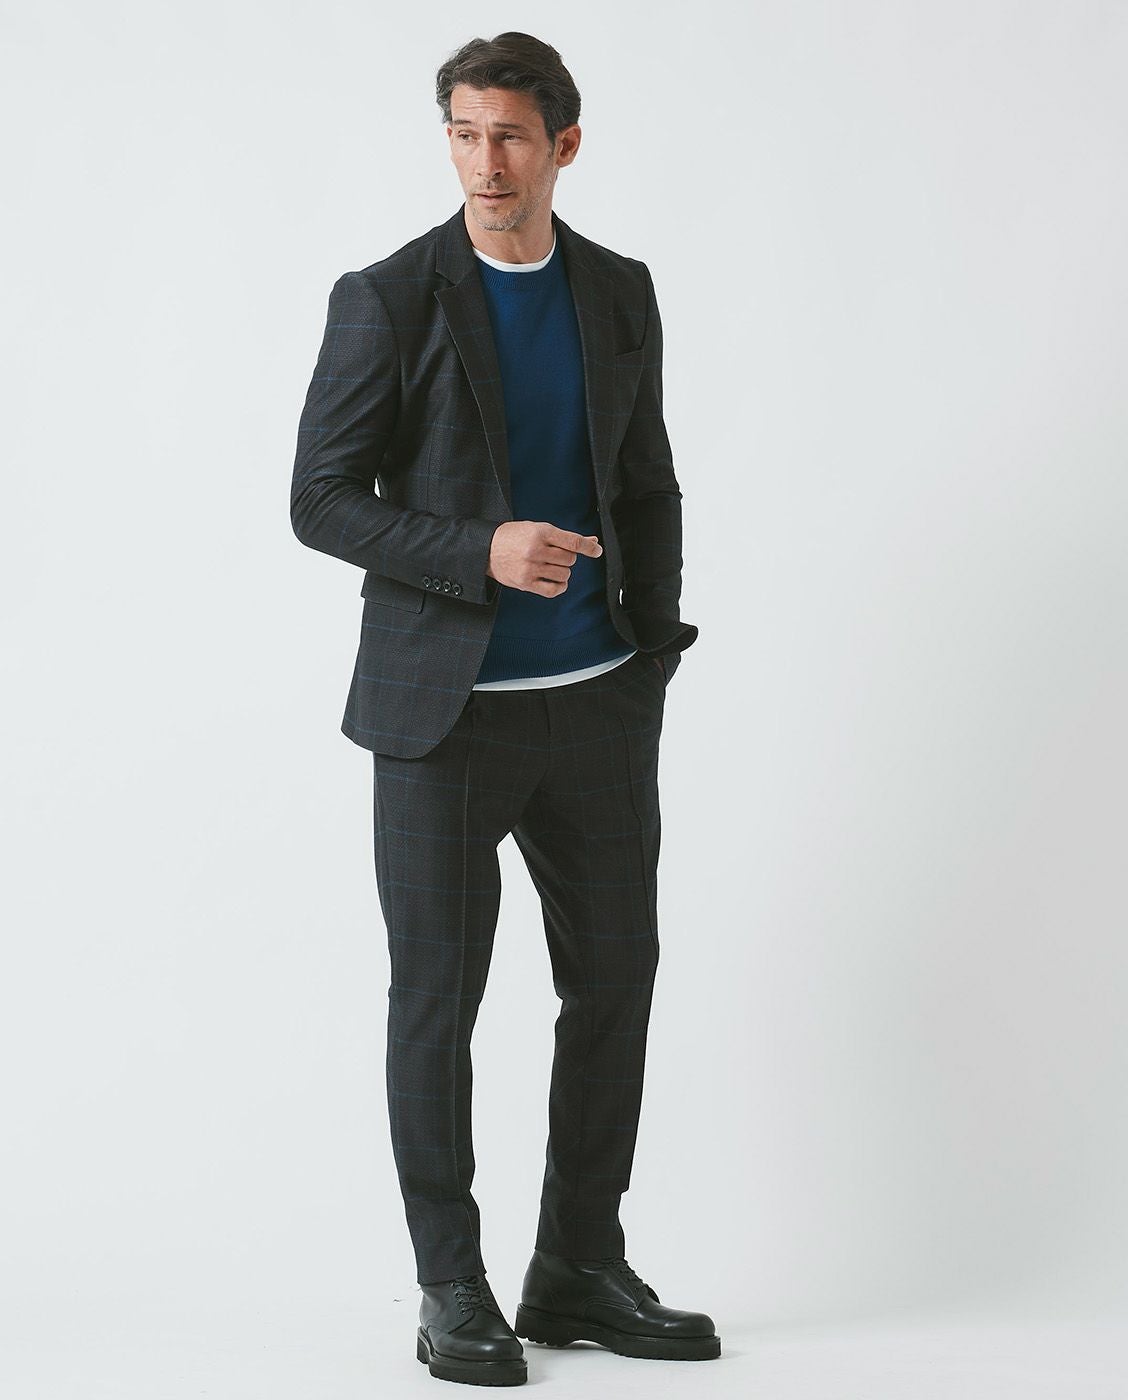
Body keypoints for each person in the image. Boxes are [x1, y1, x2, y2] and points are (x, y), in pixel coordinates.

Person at [290, 31, 718, 1387]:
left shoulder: (619, 290)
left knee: (616, 982)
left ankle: (577, 1264)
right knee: (439, 1003)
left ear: (564, 146)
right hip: (445, 721)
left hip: (597, 707)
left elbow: (646, 479)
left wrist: (648, 654)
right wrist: (477, 549)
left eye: (512, 136)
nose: (486, 162)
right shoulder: (388, 297)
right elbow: (320, 498)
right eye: (465, 134)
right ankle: (451, 1286)